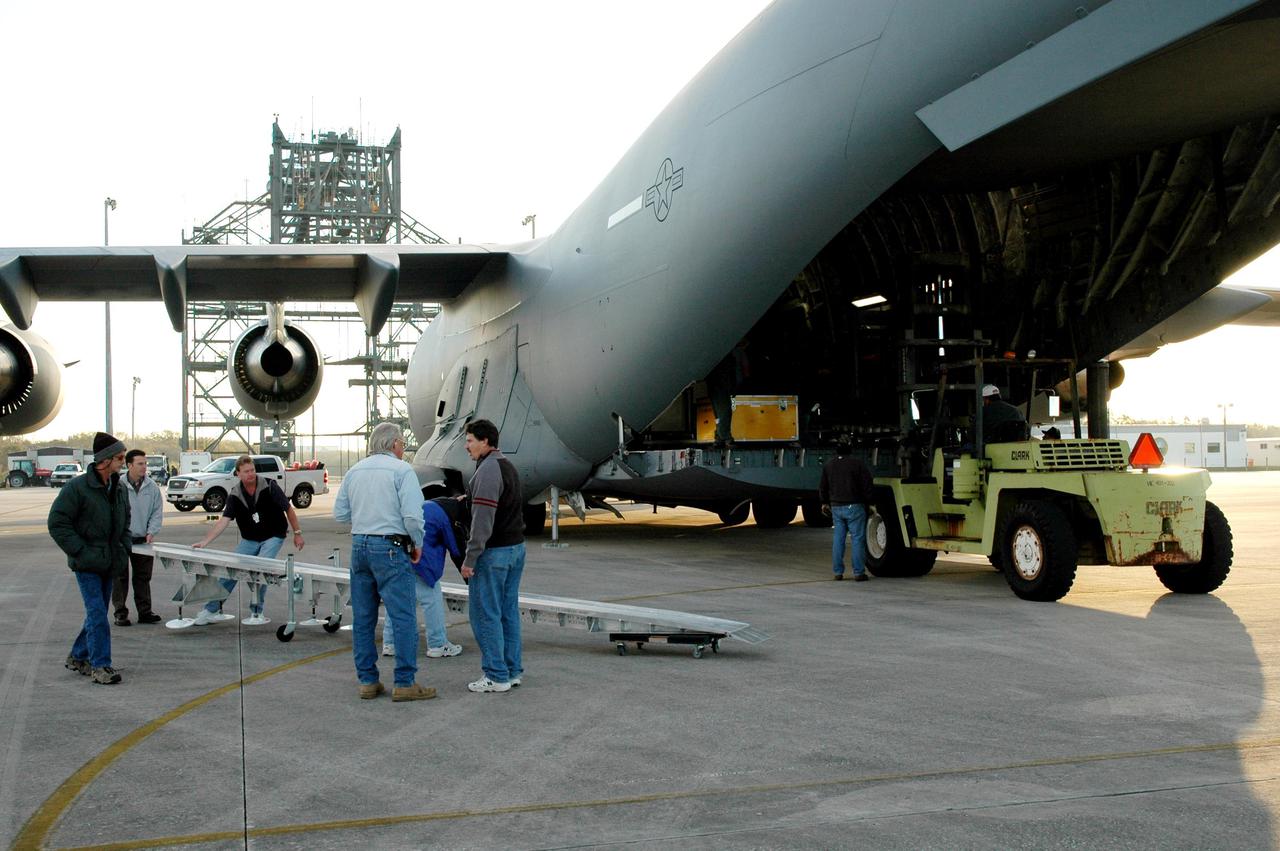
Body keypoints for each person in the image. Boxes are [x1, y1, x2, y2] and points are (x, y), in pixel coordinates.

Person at [333, 423, 435, 702]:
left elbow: (340, 513)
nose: (403, 448)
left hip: (360, 546)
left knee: (364, 617)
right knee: (402, 616)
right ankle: (404, 681)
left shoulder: (355, 471)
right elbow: (413, 516)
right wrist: (417, 543)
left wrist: (366, 517)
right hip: (391, 547)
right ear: (393, 445)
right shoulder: (403, 471)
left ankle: (367, 680)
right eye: (402, 443)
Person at [47, 432, 131, 685]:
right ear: (104, 460)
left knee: (97, 613)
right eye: (120, 457)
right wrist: (80, 551)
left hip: (110, 560)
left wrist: (123, 546)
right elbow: (57, 522)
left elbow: (125, 521)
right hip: (87, 563)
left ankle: (78, 656)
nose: (123, 462)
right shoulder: (78, 488)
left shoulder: (119, 487)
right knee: (97, 613)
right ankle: (100, 666)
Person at [191, 455, 304, 625]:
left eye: (252, 470)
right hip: (250, 539)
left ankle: (257, 612)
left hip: (273, 535)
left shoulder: (270, 485)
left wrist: (297, 532)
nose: (251, 474)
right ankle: (210, 610)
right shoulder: (235, 494)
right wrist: (205, 542)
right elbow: (224, 521)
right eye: (246, 471)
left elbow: (289, 509)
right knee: (230, 570)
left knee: (261, 568)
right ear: (238, 474)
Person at [461, 418, 526, 694]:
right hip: (515, 549)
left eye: (470, 440)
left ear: (485, 441)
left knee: (485, 614)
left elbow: (483, 521)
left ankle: (495, 675)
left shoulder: (487, 470)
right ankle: (511, 671)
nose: (467, 446)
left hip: (494, 553)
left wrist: (470, 559)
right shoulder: (506, 466)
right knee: (508, 613)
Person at [381, 496, 466, 660]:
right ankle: (438, 644)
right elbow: (456, 549)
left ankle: (390, 643)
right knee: (431, 597)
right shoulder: (448, 516)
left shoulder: (433, 505)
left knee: (398, 599)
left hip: (396, 551)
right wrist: (469, 577)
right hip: (420, 558)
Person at [113, 449, 164, 626]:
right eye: (140, 464)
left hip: (143, 539)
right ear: (129, 465)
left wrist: (152, 531)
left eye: (145, 463)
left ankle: (145, 612)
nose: (144, 467)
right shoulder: (118, 486)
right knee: (120, 578)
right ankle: (120, 613)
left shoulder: (152, 487)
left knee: (143, 577)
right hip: (121, 539)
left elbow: (157, 511)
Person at [819, 436, 874, 582]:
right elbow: (867, 485)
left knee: (838, 539)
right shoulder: (858, 464)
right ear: (851, 449)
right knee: (857, 540)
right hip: (855, 506)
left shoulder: (829, 465)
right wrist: (870, 503)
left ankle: (838, 572)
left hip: (836, 506)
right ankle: (858, 572)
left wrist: (824, 502)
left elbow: (823, 486)